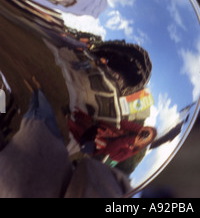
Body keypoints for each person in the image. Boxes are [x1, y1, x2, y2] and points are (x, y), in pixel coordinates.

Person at [0, 79, 131, 198]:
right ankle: (37, 91)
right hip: (43, 138)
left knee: (36, 110)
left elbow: (91, 172)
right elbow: (91, 172)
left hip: (37, 137)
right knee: (40, 108)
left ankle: (36, 92)